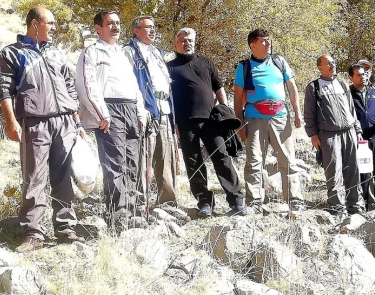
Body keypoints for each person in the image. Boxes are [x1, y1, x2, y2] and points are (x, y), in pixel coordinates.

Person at [0, 6, 85, 251]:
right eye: (51, 23)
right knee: (34, 177)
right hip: (34, 121)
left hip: (65, 122)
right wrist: (10, 121)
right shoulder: (12, 53)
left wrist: (76, 121)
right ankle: (34, 232)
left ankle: (65, 227)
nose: (55, 28)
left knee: (64, 175)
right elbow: (4, 90)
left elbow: (69, 86)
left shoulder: (56, 53)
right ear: (35, 24)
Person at [76, 10, 147, 225]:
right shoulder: (91, 52)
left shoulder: (124, 53)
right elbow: (86, 85)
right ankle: (118, 214)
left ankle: (133, 209)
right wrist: (101, 114)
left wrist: (141, 112)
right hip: (109, 110)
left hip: (131, 109)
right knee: (114, 163)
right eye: (110, 23)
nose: (115, 27)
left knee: (132, 161)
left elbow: (134, 86)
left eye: (118, 23)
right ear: (99, 28)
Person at [166, 28, 245, 217]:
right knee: (193, 163)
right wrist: (173, 122)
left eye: (190, 40)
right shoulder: (169, 67)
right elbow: (167, 97)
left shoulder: (205, 62)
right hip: (185, 123)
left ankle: (236, 201)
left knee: (223, 159)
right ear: (175, 44)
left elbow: (219, 88)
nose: (187, 43)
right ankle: (204, 203)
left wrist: (224, 110)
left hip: (211, 120)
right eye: (183, 40)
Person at [233, 29, 304, 212]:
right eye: (263, 40)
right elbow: (237, 97)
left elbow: (292, 88)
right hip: (254, 118)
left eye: (268, 40)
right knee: (255, 160)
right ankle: (254, 201)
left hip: (280, 117)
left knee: (288, 159)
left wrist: (297, 113)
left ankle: (294, 199)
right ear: (252, 45)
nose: (268, 43)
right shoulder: (244, 67)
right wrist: (239, 123)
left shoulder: (279, 62)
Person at [124, 15, 177, 207]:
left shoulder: (157, 52)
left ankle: (167, 201)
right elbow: (130, 82)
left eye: (154, 27)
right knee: (144, 157)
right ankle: (140, 202)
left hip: (164, 109)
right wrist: (140, 108)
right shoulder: (129, 52)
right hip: (146, 109)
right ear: (136, 30)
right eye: (148, 27)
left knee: (165, 156)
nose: (153, 30)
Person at [304, 55, 364, 215]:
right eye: (328, 63)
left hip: (349, 132)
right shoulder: (313, 87)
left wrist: (357, 131)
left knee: (353, 171)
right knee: (333, 172)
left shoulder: (343, 84)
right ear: (320, 67)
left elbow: (352, 110)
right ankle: (337, 209)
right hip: (328, 136)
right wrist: (313, 135)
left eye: (334, 62)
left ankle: (356, 207)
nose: (332, 65)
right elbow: (308, 114)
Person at [349, 63, 375, 209]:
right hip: (361, 139)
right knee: (364, 172)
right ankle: (366, 202)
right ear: (351, 78)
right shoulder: (348, 94)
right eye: (359, 75)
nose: (363, 77)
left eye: (365, 74)